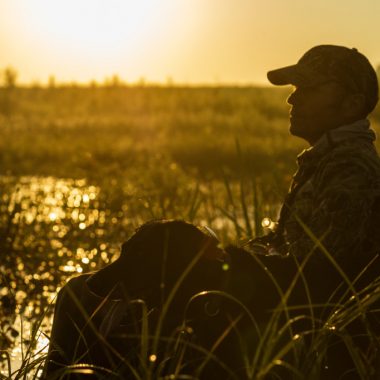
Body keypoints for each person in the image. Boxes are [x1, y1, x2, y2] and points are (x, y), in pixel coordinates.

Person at [243, 45, 380, 378]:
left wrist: (245, 269)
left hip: (322, 338)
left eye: (309, 89)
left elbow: (319, 271)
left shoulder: (351, 167)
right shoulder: (328, 157)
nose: (292, 99)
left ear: (352, 102)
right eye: (294, 89)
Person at [42, 220, 248, 379]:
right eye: (126, 254)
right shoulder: (78, 294)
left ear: (177, 267)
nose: (95, 281)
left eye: (138, 259)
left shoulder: (226, 316)